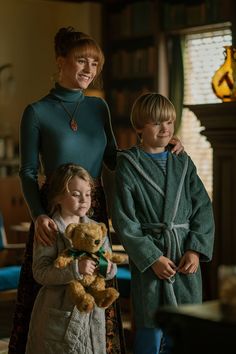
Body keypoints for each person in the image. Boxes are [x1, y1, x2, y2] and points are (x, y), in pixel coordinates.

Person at [8, 26, 183, 354]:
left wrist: (158, 144)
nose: (90, 69)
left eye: (95, 62)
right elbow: (28, 171)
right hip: (55, 210)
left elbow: (115, 159)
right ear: (61, 62)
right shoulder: (36, 111)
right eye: (81, 60)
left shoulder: (98, 108)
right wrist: (39, 215)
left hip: (96, 208)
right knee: (53, 289)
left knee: (97, 285)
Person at [111, 92, 215, 354]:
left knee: (187, 326)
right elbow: (126, 221)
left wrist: (194, 249)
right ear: (139, 128)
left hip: (184, 255)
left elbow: (203, 207)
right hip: (153, 259)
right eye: (156, 123)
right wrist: (153, 258)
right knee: (150, 326)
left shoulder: (182, 160)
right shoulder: (128, 165)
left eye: (169, 122)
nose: (165, 128)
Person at [25, 163, 118, 354]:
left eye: (88, 194)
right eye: (75, 194)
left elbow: (109, 265)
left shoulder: (97, 228)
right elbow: (40, 272)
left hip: (92, 314)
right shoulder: (50, 229)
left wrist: (108, 268)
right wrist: (75, 269)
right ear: (58, 197)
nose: (84, 200)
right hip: (59, 313)